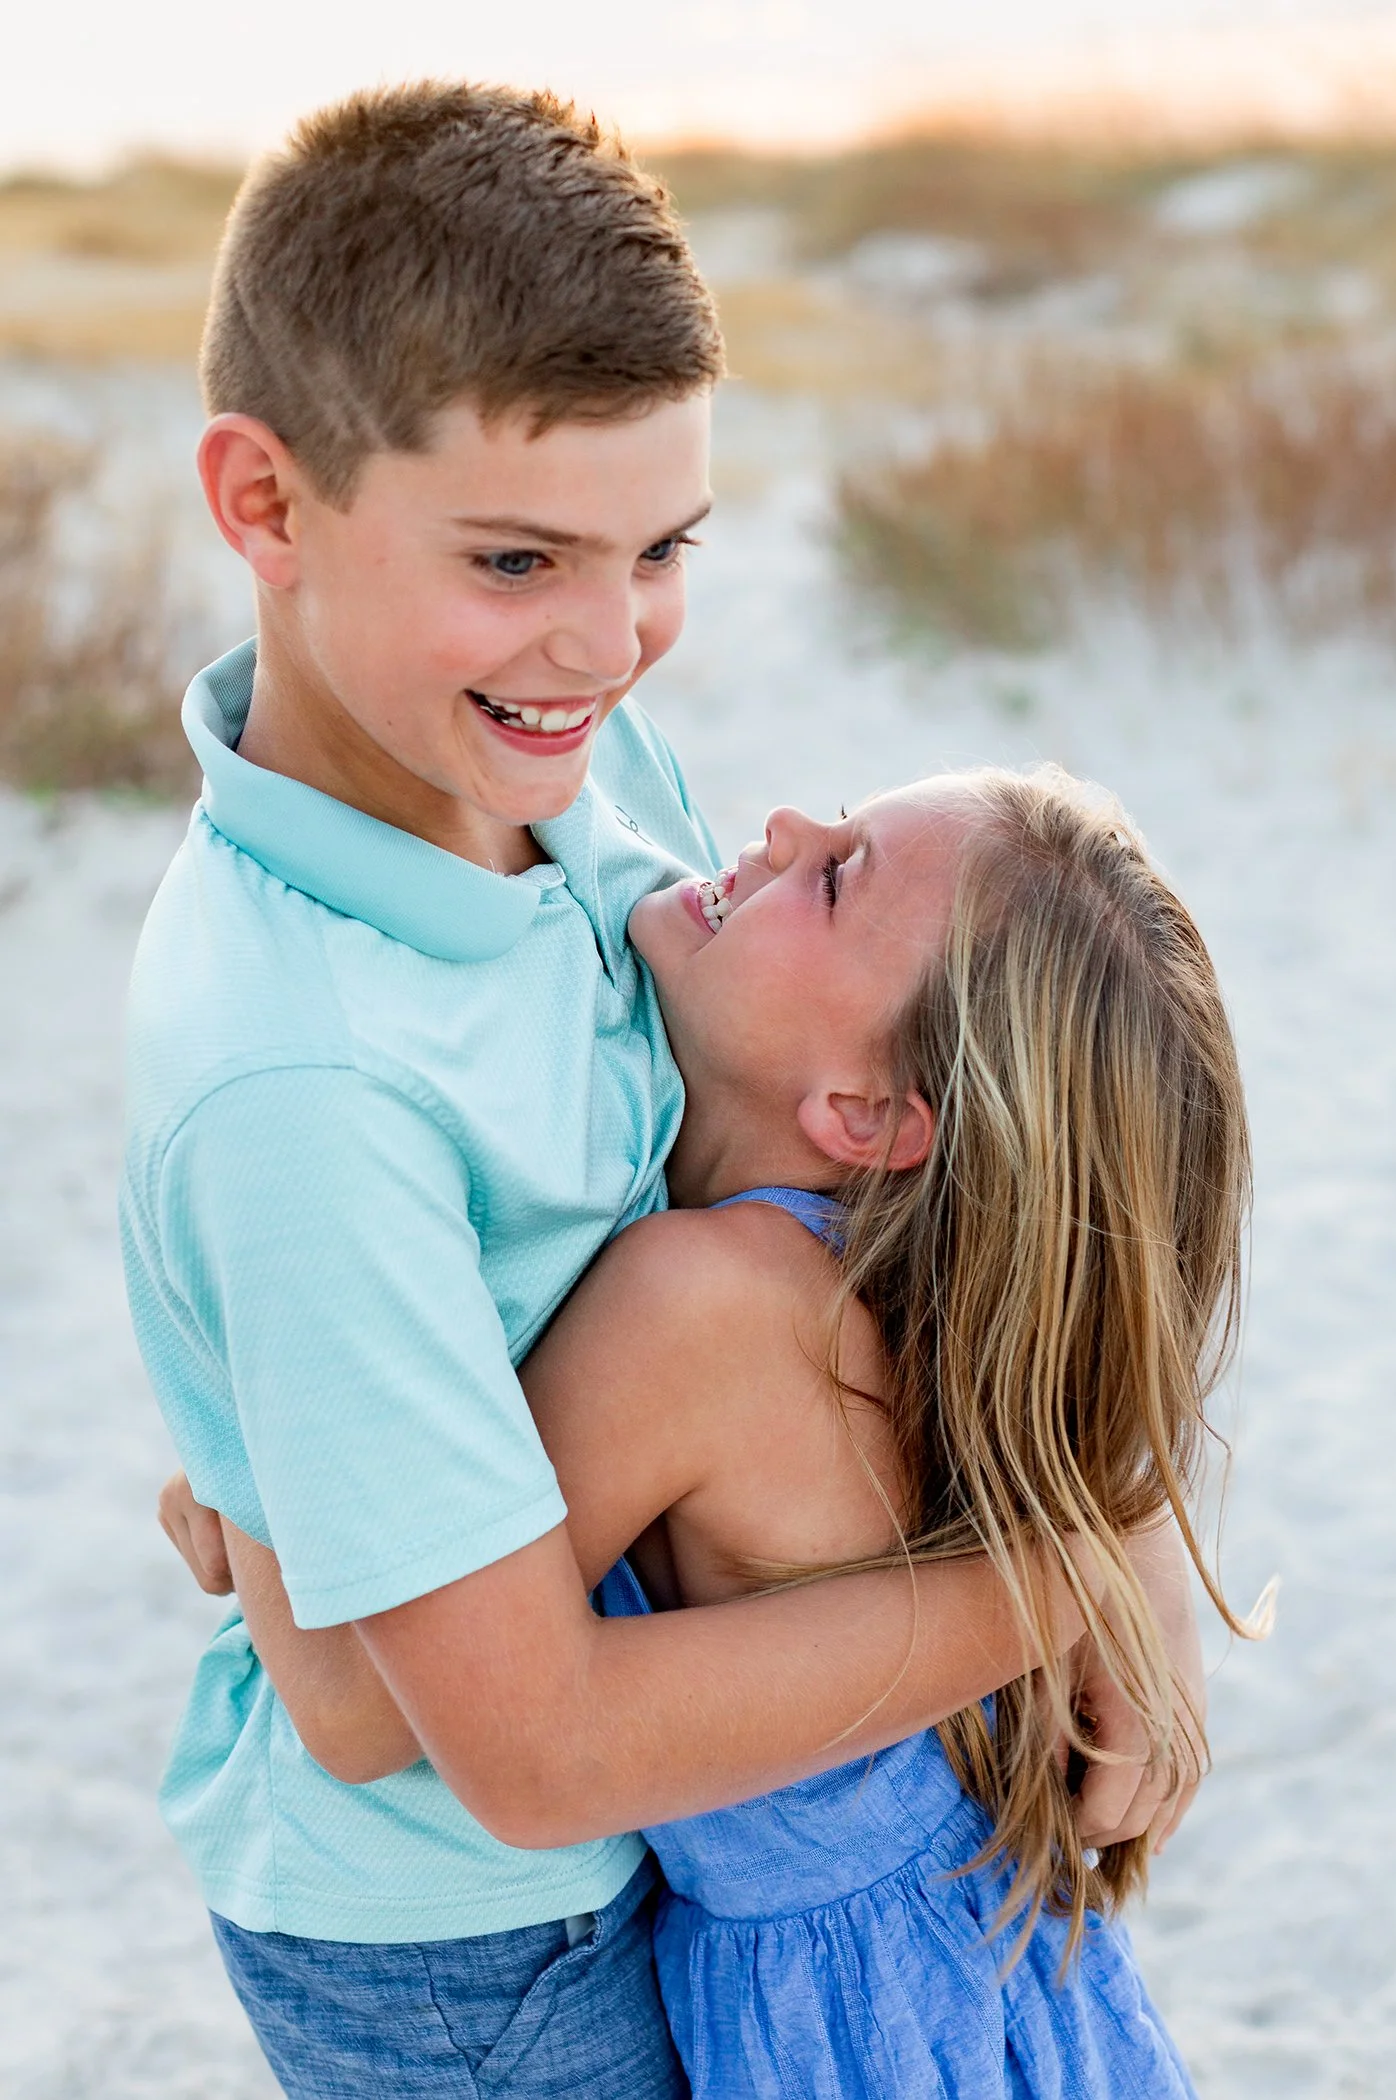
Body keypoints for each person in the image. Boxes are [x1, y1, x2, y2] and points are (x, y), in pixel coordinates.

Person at [130, 80, 1195, 2100]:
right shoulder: (303, 1080)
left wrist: (1116, 1531)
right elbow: (435, 1732)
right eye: (521, 554)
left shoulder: (570, 758)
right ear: (266, 505)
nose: (610, 640)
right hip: (466, 1936)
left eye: (661, 549)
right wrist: (1055, 1564)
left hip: (667, 1816)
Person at [166, 763, 1245, 2096]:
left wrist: (248, 1437)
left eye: (838, 874)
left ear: (866, 1114)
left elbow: (352, 1705)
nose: (787, 825)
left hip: (853, 2022)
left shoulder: (705, 1313)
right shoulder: (903, 1296)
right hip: (992, 1985)